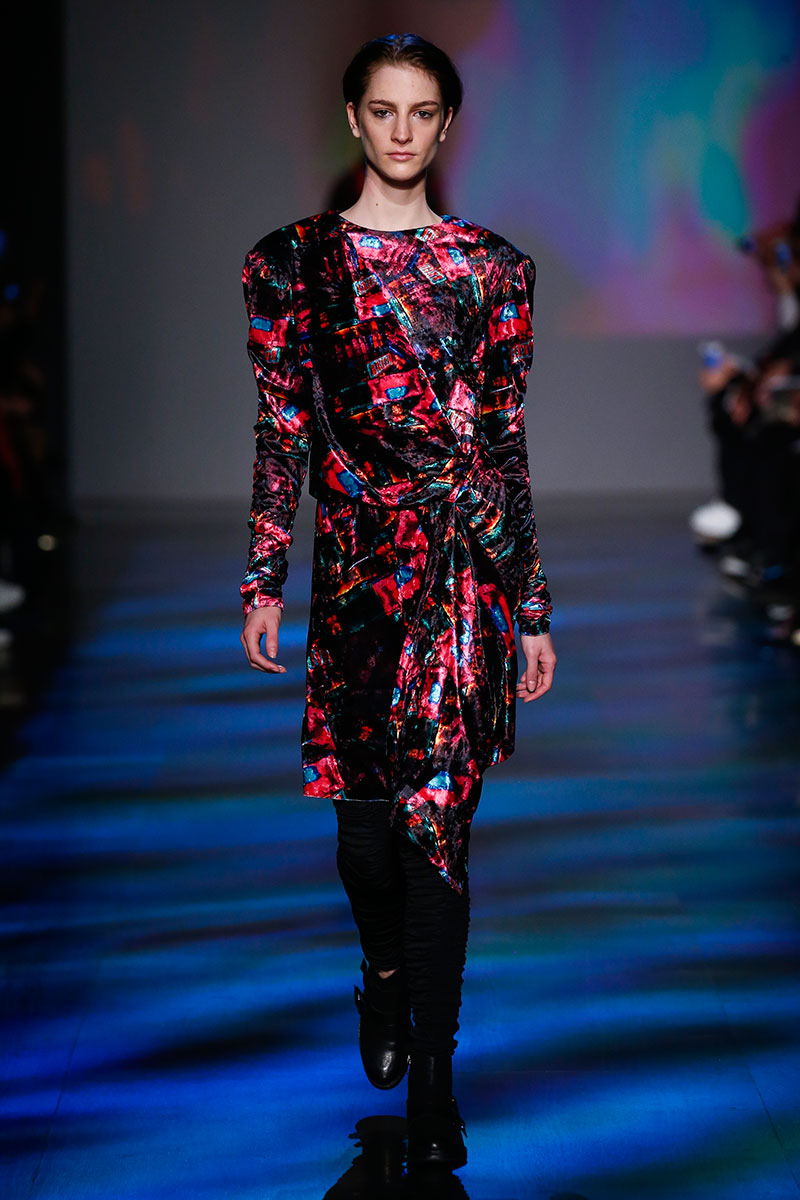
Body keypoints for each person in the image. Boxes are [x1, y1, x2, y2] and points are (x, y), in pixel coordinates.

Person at [240, 32, 556, 1171]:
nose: (403, 131)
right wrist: (264, 574)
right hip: (357, 582)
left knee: (439, 835)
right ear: (353, 118)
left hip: (462, 577)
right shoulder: (291, 264)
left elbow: (504, 443)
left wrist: (531, 604)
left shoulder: (492, 269)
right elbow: (283, 430)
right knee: (367, 839)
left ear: (446, 125)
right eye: (384, 110)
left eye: (423, 112)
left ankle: (434, 1077)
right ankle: (380, 970)